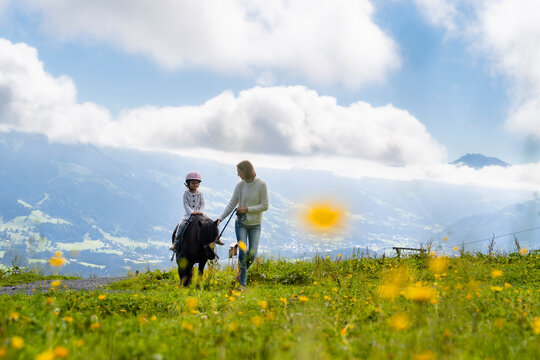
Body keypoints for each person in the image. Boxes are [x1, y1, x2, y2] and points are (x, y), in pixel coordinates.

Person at [216, 161, 269, 289]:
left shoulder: (261, 184)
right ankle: (242, 284)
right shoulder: (240, 186)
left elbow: (265, 206)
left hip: (255, 225)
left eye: (239, 171)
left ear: (246, 171)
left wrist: (247, 209)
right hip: (241, 224)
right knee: (243, 252)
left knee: (252, 254)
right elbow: (231, 204)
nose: (238, 174)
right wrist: (220, 219)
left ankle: (240, 274)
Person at [170, 171, 224, 252]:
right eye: (193, 183)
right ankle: (176, 243)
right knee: (181, 225)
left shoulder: (200, 194)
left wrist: (201, 211)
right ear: (188, 184)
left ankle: (217, 238)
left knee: (212, 223)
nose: (195, 184)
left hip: (200, 213)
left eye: (196, 183)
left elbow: (203, 204)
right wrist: (191, 212)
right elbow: (186, 205)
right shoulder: (185, 193)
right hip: (188, 214)